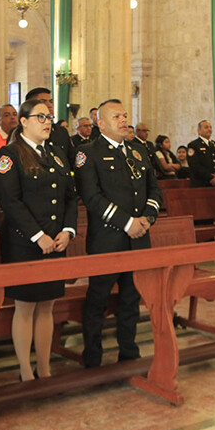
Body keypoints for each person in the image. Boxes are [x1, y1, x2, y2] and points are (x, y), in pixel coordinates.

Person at [74, 99, 161, 368]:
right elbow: (92, 198)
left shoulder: (138, 151)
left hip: (138, 239)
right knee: (98, 300)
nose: (123, 120)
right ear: (100, 123)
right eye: (116, 117)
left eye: (125, 115)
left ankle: (129, 353)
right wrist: (127, 223)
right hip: (107, 240)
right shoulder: (87, 153)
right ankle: (93, 356)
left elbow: (154, 190)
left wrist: (146, 218)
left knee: (131, 299)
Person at [0, 99, 77, 381]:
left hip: (55, 241)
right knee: (26, 306)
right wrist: (37, 235)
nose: (46, 122)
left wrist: (67, 231)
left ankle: (44, 366)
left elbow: (69, 196)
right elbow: (10, 201)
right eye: (40, 117)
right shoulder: (11, 154)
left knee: (48, 305)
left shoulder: (55, 153)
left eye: (49, 117)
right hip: (24, 243)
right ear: (24, 121)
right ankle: (25, 369)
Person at [25, 87, 71, 158]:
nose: (49, 105)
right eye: (43, 101)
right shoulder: (21, 132)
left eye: (51, 101)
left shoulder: (61, 132)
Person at [187, 120, 215, 187]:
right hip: (201, 183)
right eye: (206, 127)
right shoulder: (193, 145)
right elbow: (194, 165)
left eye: (210, 127)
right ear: (199, 130)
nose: (209, 129)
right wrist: (210, 177)